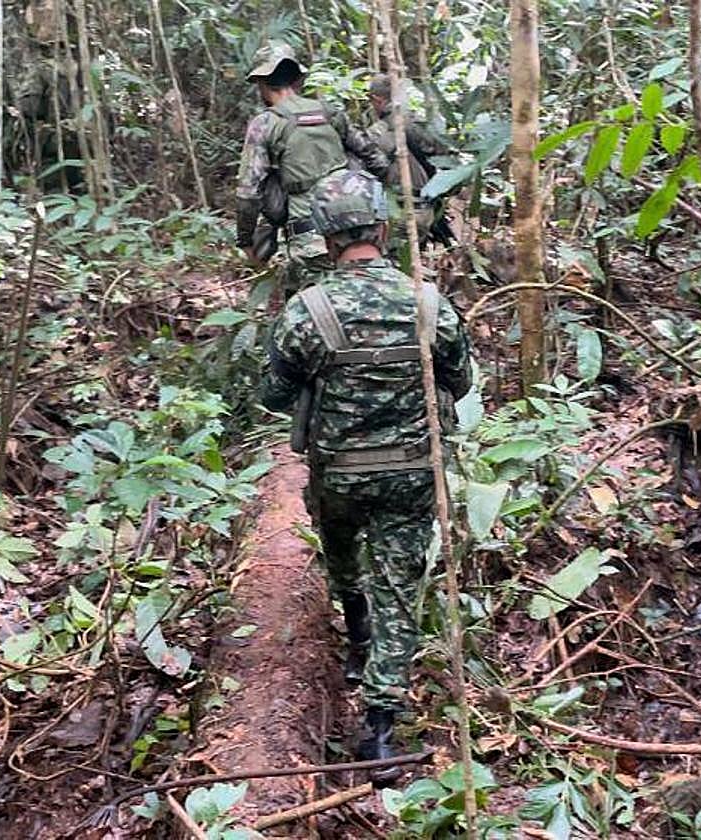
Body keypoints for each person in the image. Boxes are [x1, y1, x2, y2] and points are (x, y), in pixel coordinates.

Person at [259, 169, 472, 769]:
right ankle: (379, 730)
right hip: (409, 474)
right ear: (383, 229)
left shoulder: (307, 311)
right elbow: (461, 381)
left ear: (327, 240)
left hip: (339, 476)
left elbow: (273, 396)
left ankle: (357, 641)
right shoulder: (429, 303)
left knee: (344, 556)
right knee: (401, 591)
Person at [235, 42, 389, 296]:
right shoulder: (330, 113)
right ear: (296, 79)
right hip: (358, 232)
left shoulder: (265, 123)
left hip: (310, 238)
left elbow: (248, 193)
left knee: (314, 316)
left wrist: (246, 241)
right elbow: (375, 159)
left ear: (261, 82)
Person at [365, 74, 456, 254]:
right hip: (427, 209)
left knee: (399, 268)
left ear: (377, 99)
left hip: (400, 212)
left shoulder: (378, 133)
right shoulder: (421, 124)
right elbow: (448, 159)